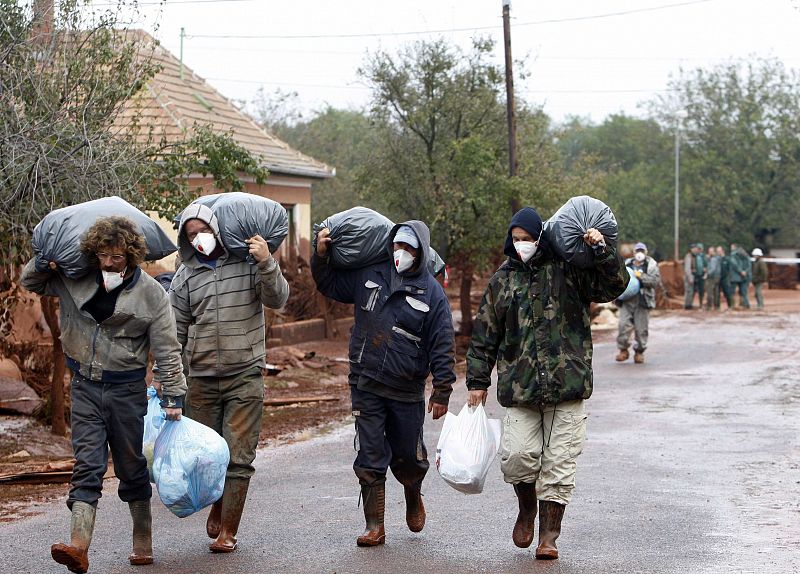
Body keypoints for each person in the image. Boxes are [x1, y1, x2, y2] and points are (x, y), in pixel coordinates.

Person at [20, 216, 187, 574]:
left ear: (131, 255)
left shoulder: (152, 295)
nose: (108, 263)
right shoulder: (74, 279)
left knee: (130, 465)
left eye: (116, 256)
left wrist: (173, 395)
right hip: (84, 386)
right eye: (102, 255)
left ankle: (142, 540)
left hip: (127, 390)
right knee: (88, 464)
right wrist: (44, 261)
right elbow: (30, 281)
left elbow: (167, 349)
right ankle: (78, 547)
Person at [465, 208, 628, 560]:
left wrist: (600, 250)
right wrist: (477, 380)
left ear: (543, 237)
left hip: (566, 384)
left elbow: (613, 286)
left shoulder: (569, 271)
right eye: (516, 239)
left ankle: (549, 536)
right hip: (521, 389)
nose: (521, 244)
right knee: (517, 457)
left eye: (528, 238)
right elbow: (484, 335)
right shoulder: (503, 280)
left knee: (559, 464)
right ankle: (527, 507)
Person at [311, 221, 455, 548]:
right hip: (366, 382)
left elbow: (443, 342)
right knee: (370, 454)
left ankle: (413, 492)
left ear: (421, 252)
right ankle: (375, 526)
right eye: (396, 247)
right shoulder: (370, 275)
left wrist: (442, 390)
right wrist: (320, 256)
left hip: (406, 389)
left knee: (407, 456)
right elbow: (329, 284)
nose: (400, 254)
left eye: (408, 249)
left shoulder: (431, 292)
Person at [169, 203, 289, 553]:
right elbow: (173, 332)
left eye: (202, 231)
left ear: (217, 230)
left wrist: (267, 261)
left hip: (245, 374)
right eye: (191, 235)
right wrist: (171, 382)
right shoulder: (186, 275)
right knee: (206, 456)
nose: (198, 239)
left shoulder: (248, 263)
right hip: (201, 379)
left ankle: (229, 531)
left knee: (238, 456)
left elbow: (278, 298)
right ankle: (218, 503)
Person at [615, 242, 661, 363]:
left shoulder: (651, 265)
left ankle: (639, 352)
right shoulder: (627, 264)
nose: (639, 253)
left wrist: (641, 277)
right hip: (627, 300)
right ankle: (623, 350)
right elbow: (617, 279)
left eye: (642, 251)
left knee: (641, 329)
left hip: (643, 300)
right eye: (637, 251)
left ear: (645, 252)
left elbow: (655, 281)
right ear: (634, 252)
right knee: (623, 326)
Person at [728, 243, 752, 309]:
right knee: (743, 291)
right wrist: (744, 272)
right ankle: (744, 304)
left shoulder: (733, 255)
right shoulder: (746, 256)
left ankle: (733, 305)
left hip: (735, 276)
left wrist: (740, 271)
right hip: (744, 276)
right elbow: (749, 266)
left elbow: (734, 264)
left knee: (732, 291)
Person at [683, 244, 700, 309]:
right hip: (689, 276)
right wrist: (690, 278)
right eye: (694, 248)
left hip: (693, 275)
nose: (695, 249)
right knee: (688, 291)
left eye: (696, 248)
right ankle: (687, 305)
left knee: (692, 291)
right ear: (691, 249)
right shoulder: (688, 256)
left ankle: (689, 304)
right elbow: (687, 269)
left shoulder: (694, 256)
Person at [705, 246, 722, 310]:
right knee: (716, 292)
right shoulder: (717, 258)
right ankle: (717, 306)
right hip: (717, 277)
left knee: (710, 292)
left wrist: (707, 274)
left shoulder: (713, 259)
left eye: (711, 251)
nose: (709, 253)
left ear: (714, 252)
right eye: (709, 251)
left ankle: (709, 306)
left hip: (712, 277)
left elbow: (713, 269)